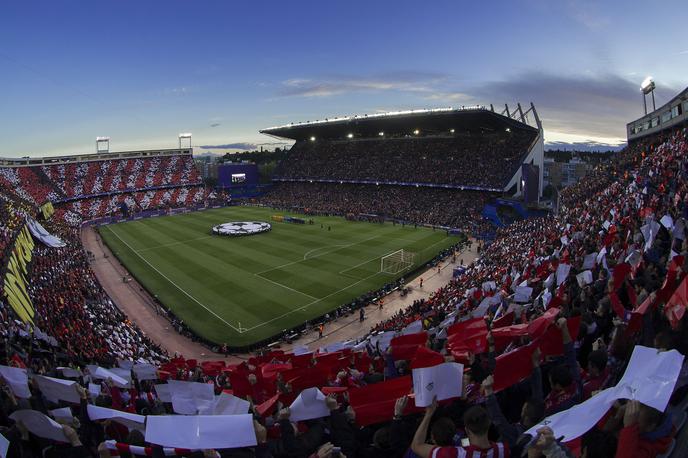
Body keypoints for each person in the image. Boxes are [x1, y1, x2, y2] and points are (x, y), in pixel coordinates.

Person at [411, 399, 509, 458]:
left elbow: (416, 445)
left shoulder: (454, 454)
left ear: (467, 430)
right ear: (489, 424)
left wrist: (428, 414)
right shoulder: (503, 449)